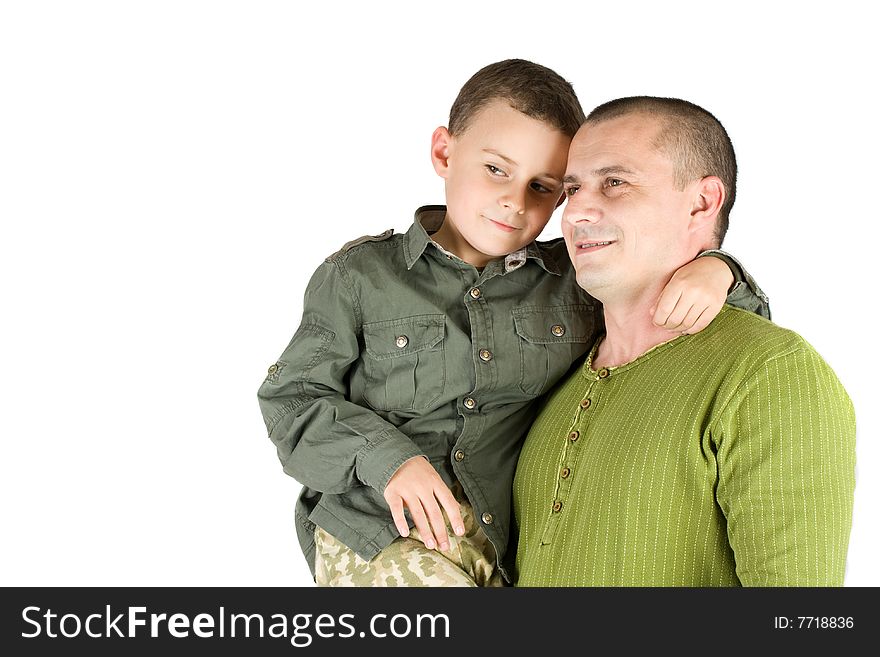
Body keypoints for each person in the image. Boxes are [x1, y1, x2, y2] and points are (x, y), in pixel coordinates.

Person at [257, 62, 769, 587]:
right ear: (444, 152)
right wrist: (387, 459)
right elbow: (292, 399)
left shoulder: (574, 279)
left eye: (543, 187)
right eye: (496, 169)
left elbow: (712, 326)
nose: (515, 202)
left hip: (508, 546)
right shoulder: (360, 276)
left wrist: (717, 269)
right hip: (380, 533)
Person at [513, 96, 856, 587]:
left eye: (615, 182)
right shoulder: (552, 374)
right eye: (572, 189)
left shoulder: (769, 373)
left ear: (701, 202)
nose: (577, 213)